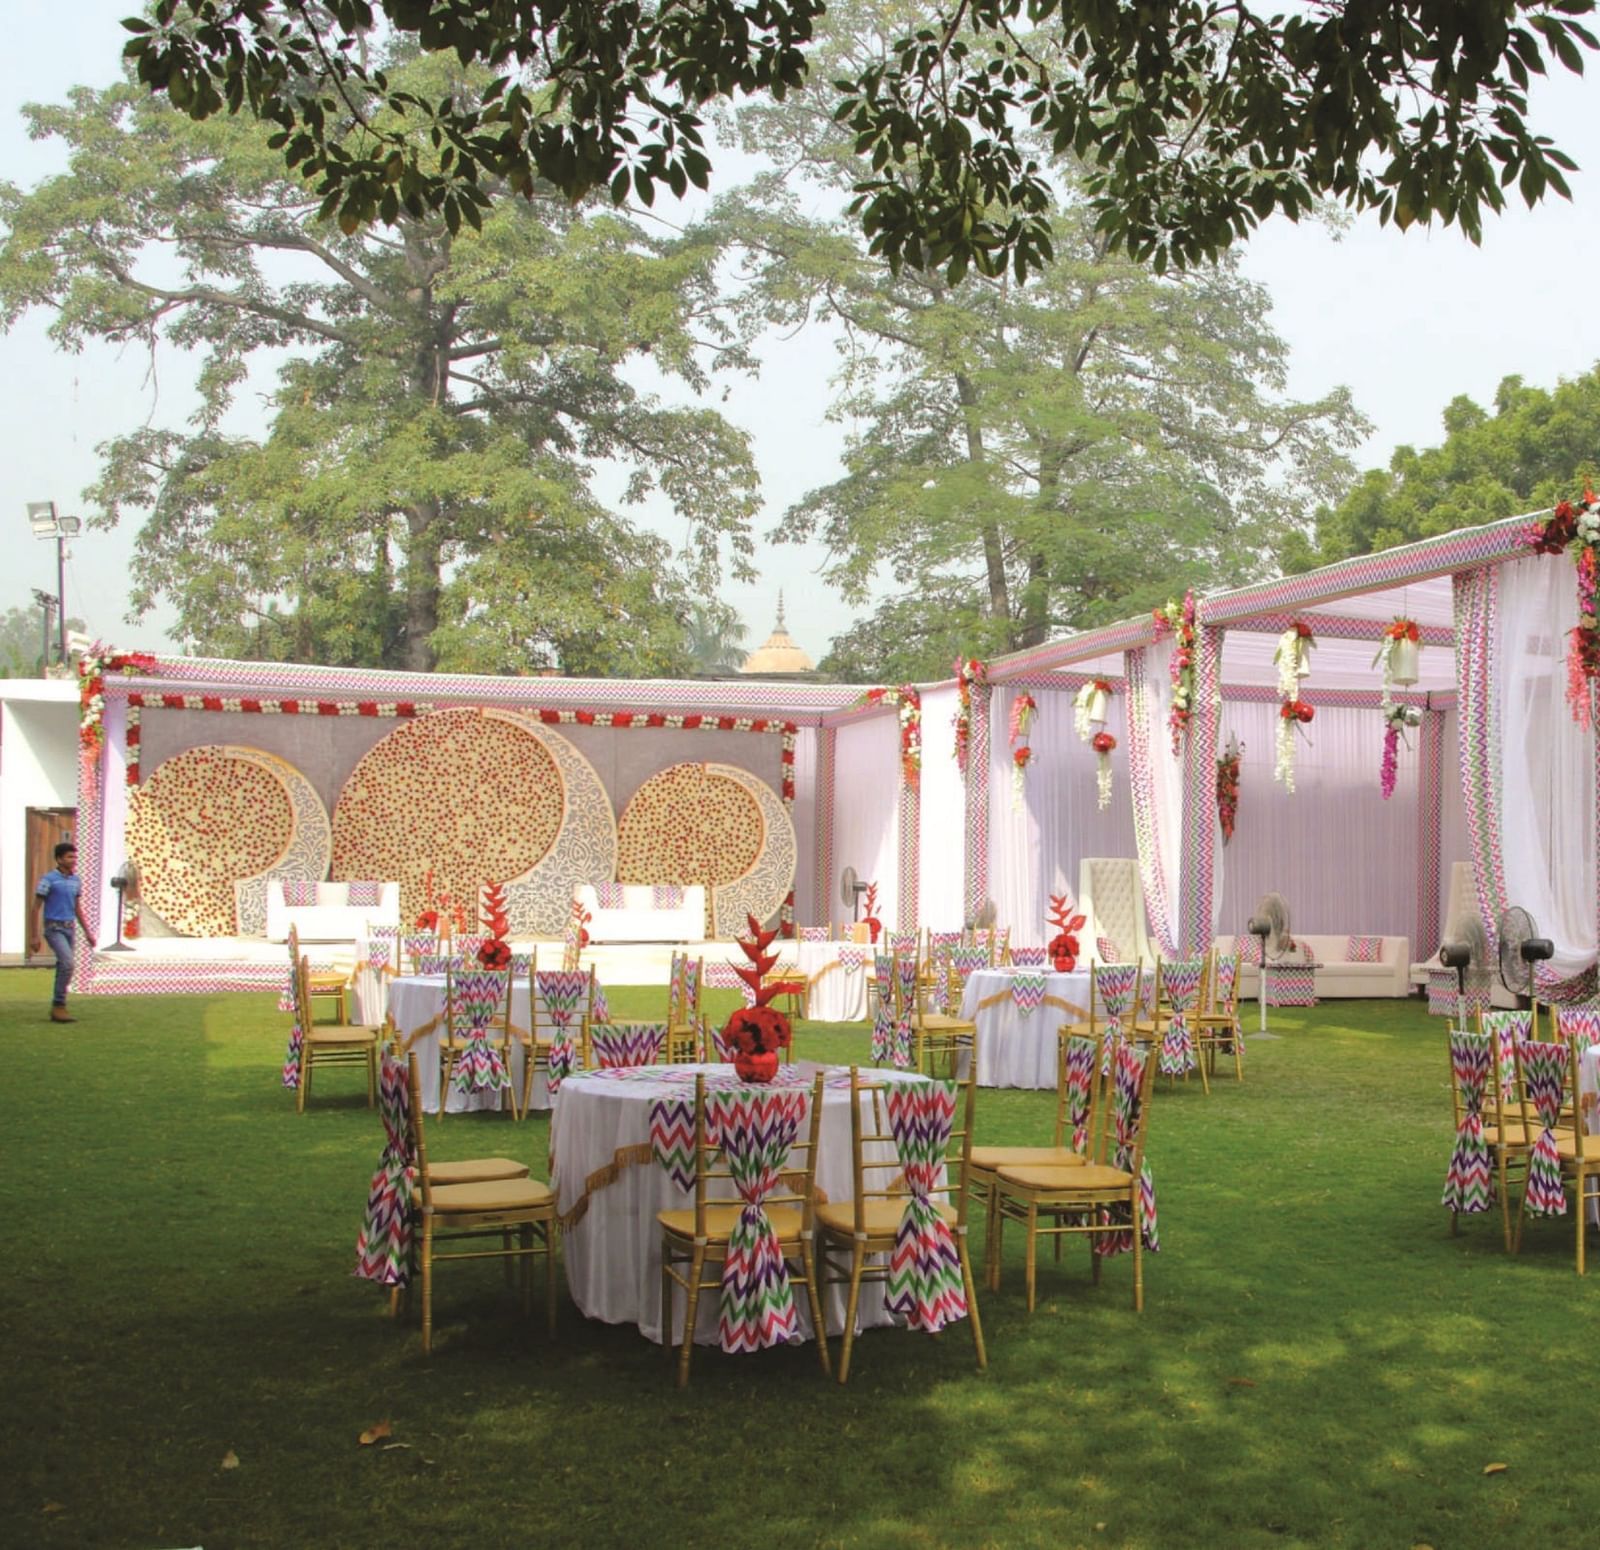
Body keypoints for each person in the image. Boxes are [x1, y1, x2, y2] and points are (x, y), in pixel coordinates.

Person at [30, 841, 95, 1023]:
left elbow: (77, 908)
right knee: (68, 963)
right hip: (54, 927)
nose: (73, 859)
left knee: (63, 966)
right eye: (69, 856)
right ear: (59, 859)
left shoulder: (75, 880)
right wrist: (34, 935)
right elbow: (35, 908)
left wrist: (87, 932)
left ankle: (58, 1007)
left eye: (74, 856)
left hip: (70, 928)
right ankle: (59, 1004)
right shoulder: (49, 880)